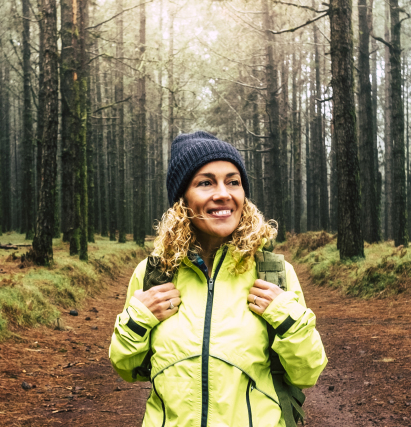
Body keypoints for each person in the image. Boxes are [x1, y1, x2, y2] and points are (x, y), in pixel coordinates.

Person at [109, 131, 328, 427]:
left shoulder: (273, 273)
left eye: (233, 181)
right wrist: (137, 321)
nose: (223, 193)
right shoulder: (154, 274)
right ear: (182, 198)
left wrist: (288, 319)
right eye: (206, 182)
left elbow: (307, 372)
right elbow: (127, 368)